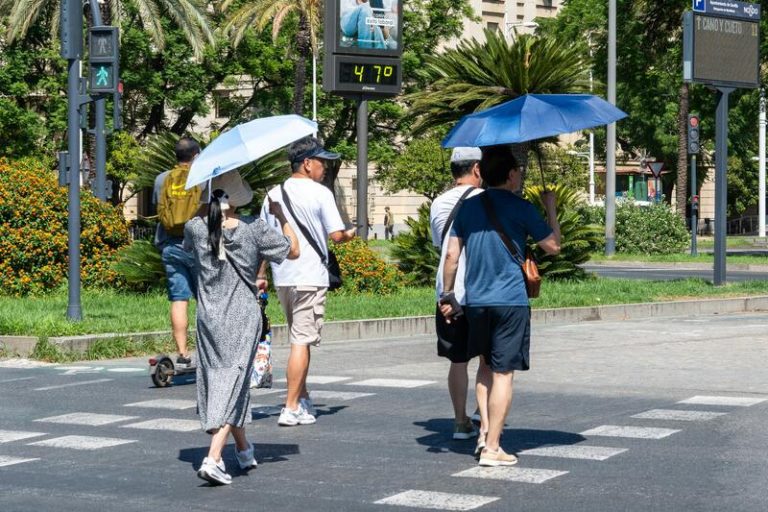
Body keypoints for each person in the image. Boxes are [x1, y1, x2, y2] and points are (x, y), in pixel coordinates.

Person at [440, 145, 561, 467]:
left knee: (485, 367)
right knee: (504, 374)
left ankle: (483, 437)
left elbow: (451, 256)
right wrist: (550, 208)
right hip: (509, 301)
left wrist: (448, 295)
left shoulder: (467, 208)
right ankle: (493, 446)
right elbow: (552, 247)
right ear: (509, 175)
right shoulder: (521, 208)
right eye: (518, 171)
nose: (520, 175)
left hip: (476, 301)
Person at [184, 171, 299, 485]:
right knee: (234, 380)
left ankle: (244, 450)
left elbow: (191, 241)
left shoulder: (195, 228)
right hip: (241, 315)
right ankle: (214, 457)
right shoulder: (254, 229)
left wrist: (203, 202)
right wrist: (282, 216)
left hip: (208, 316)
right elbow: (293, 250)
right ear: (237, 199)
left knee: (221, 376)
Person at [259, 136, 357, 427]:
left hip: (284, 277)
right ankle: (290, 407)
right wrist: (351, 232)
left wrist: (260, 273)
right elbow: (336, 235)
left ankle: (302, 397)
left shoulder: (272, 194)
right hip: (310, 276)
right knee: (301, 341)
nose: (325, 167)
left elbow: (264, 240)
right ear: (306, 163)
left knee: (299, 338)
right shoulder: (320, 193)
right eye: (321, 161)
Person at [430, 147, 491, 446]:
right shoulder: (487, 200)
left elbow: (440, 246)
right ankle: (483, 417)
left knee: (457, 359)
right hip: (481, 289)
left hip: (448, 292)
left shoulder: (439, 203)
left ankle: (459, 420)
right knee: (488, 357)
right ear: (477, 169)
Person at [153, 137, 201, 366]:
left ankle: (183, 354)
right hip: (198, 246)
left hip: (171, 245)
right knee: (207, 299)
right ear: (196, 155)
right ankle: (209, 349)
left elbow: (159, 210)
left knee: (179, 299)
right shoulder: (202, 178)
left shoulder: (162, 179)